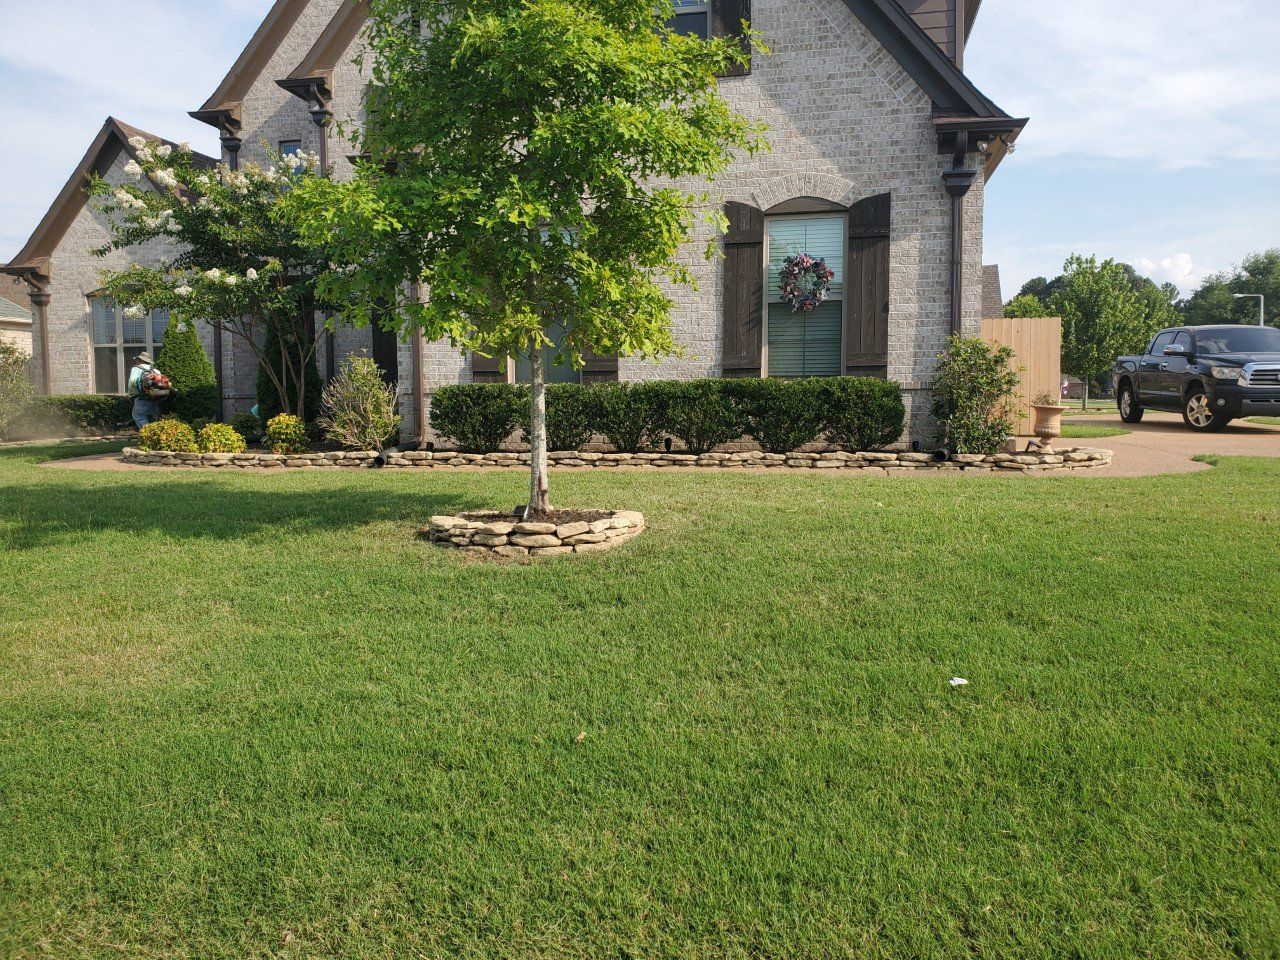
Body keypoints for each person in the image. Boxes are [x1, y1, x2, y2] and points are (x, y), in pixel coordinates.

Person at [128, 351, 162, 429]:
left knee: (138, 416)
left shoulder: (136, 368)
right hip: (155, 398)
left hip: (142, 398)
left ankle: (149, 435)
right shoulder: (155, 371)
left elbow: (132, 382)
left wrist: (130, 395)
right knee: (154, 419)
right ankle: (158, 437)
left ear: (139, 360)